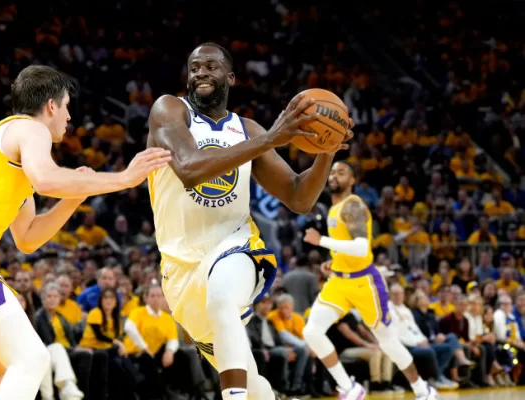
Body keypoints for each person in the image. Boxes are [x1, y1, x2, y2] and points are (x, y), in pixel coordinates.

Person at [0, 65, 171, 400]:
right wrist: (123, 179)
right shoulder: (30, 129)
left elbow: (27, 238)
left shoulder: (13, 156)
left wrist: (75, 198)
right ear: (52, 105)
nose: (70, 116)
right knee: (32, 358)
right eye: (67, 106)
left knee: (7, 368)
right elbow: (48, 179)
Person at [146, 42, 349, 400]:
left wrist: (325, 154)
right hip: (180, 271)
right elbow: (190, 169)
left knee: (224, 297)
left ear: (231, 77)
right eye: (194, 68)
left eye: (211, 67)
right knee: (255, 386)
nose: (201, 74)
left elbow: (299, 197)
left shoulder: (248, 130)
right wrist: (272, 138)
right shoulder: (169, 110)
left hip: (235, 245)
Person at [302, 161, 438, 400]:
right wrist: (334, 262)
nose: (334, 175)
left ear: (352, 180)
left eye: (341, 172)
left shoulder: (353, 206)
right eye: (332, 172)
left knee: (387, 341)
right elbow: (347, 249)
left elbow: (361, 247)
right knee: (312, 332)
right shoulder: (333, 209)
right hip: (339, 281)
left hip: (364, 283)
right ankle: (349, 388)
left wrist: (320, 241)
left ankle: (422, 389)